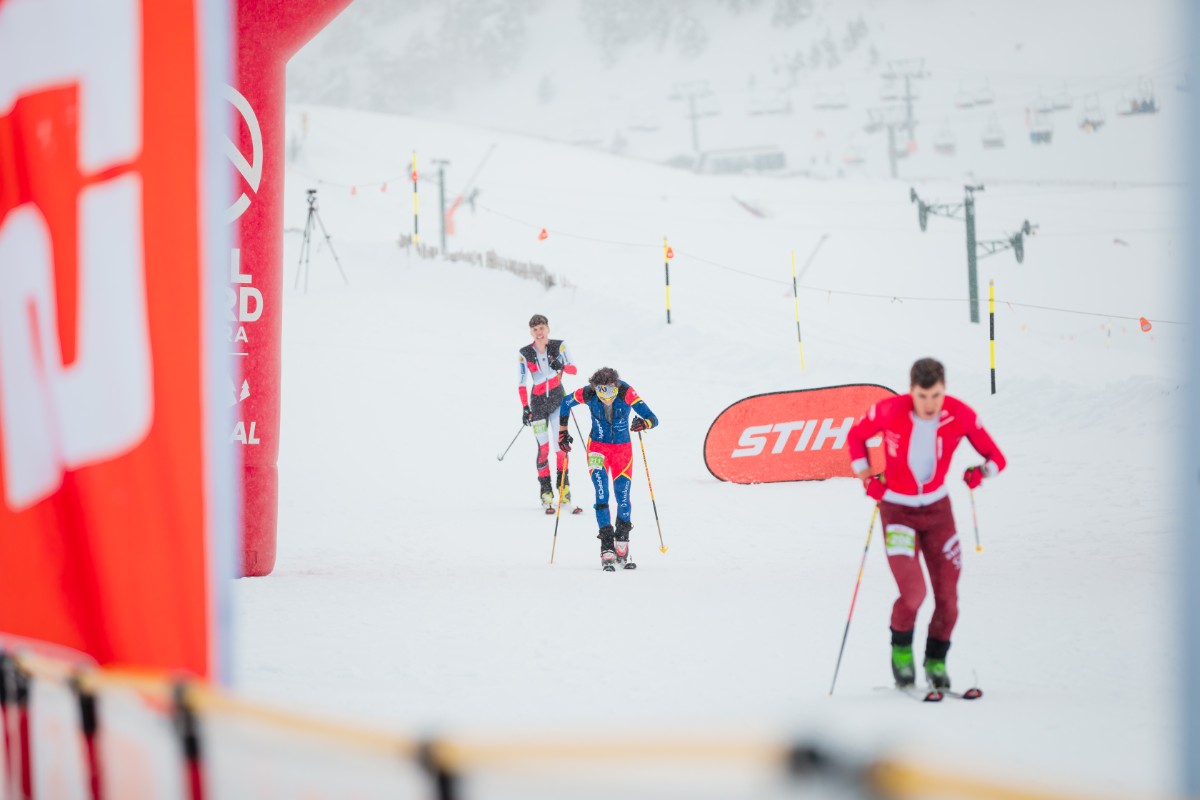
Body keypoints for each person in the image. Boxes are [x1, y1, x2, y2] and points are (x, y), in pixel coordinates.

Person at [845, 358, 1006, 690]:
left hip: (937, 512)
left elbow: (996, 458)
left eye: (936, 395)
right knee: (914, 592)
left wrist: (980, 474)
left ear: (944, 390)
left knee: (948, 597)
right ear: (911, 390)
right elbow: (856, 437)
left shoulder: (960, 414)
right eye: (922, 396)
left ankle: (936, 660)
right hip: (897, 511)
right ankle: (901, 653)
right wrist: (867, 479)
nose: (930, 404)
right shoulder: (890, 410)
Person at [557, 367, 658, 571]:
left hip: (622, 452)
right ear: (595, 388)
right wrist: (562, 432)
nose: (607, 397)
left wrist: (643, 423)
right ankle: (606, 545)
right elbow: (566, 402)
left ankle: (622, 539)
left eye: (611, 391)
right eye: (602, 391)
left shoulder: (625, 392)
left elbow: (653, 418)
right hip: (598, 450)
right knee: (601, 494)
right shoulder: (588, 393)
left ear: (616, 386)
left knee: (622, 496)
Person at [516, 314, 578, 513]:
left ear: (548, 329)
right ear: (531, 333)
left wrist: (561, 366)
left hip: (558, 401)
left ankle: (564, 489)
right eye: (535, 330)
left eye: (542, 328)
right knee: (543, 448)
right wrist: (525, 408)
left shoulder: (559, 346)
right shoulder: (524, 353)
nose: (539, 333)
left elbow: (574, 369)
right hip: (538, 404)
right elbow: (521, 383)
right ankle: (546, 492)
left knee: (561, 446)